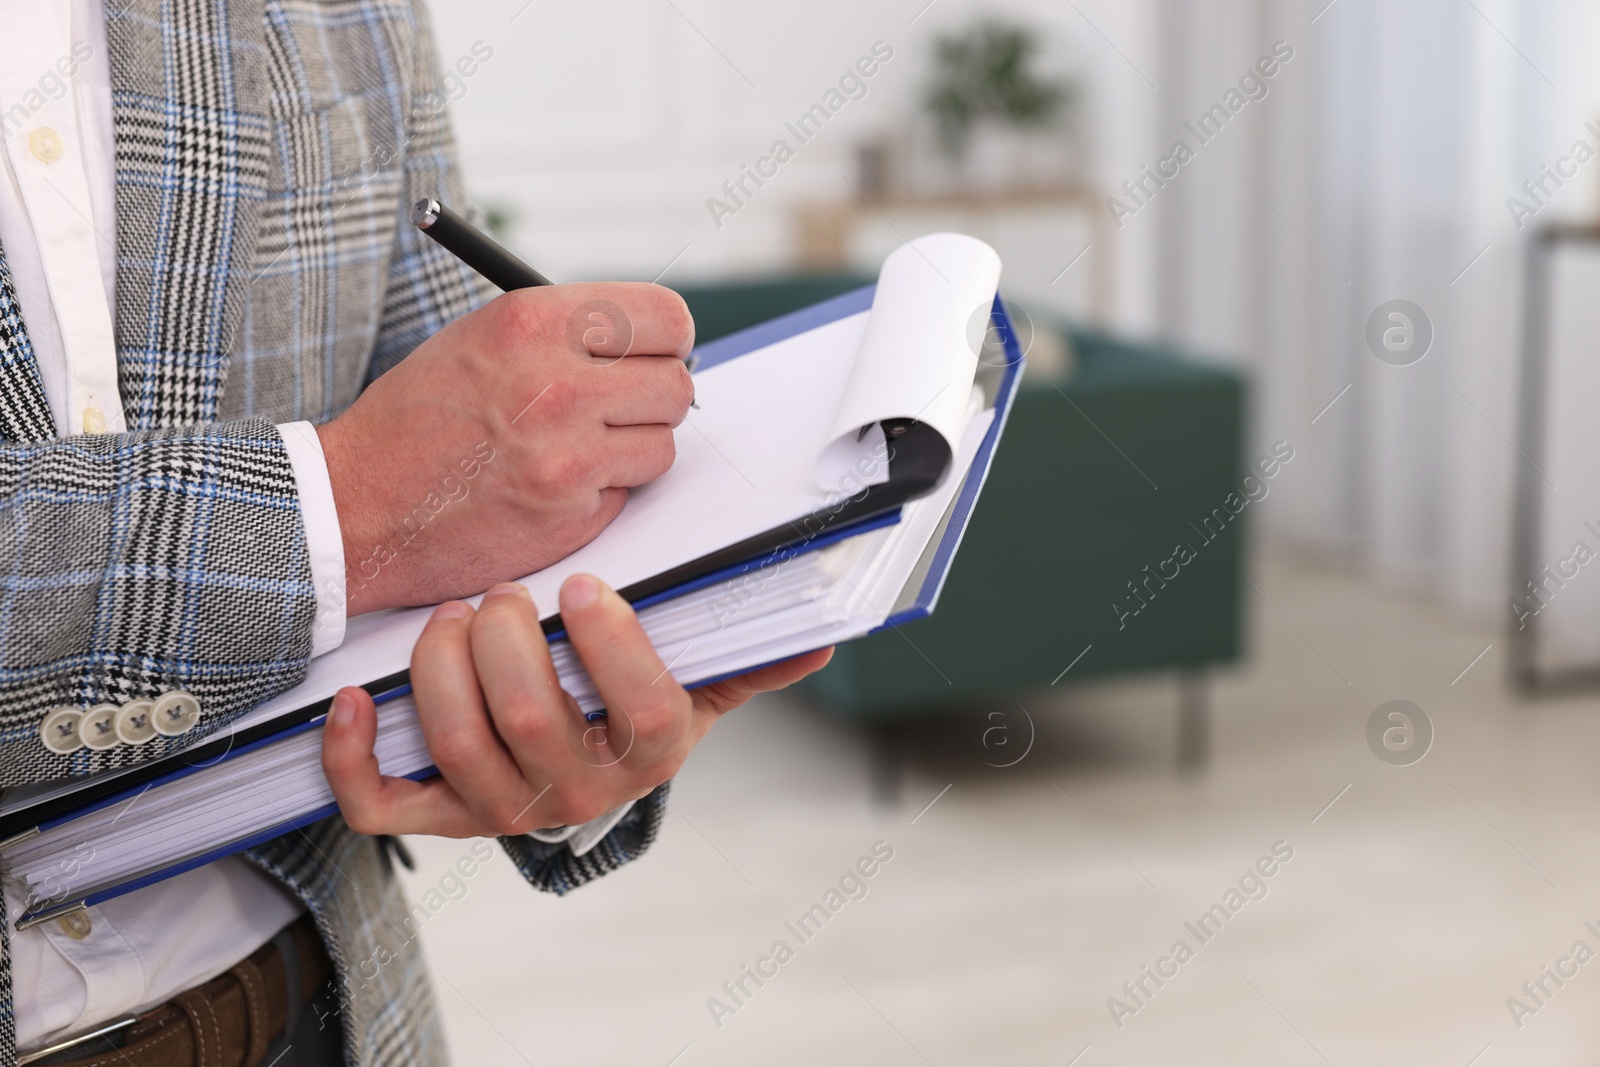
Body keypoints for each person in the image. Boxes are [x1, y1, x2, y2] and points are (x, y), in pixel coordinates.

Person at [0, 0, 831, 1064]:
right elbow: (399, 491)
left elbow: (477, 487)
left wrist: (561, 710)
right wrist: (345, 506)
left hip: (323, 999)